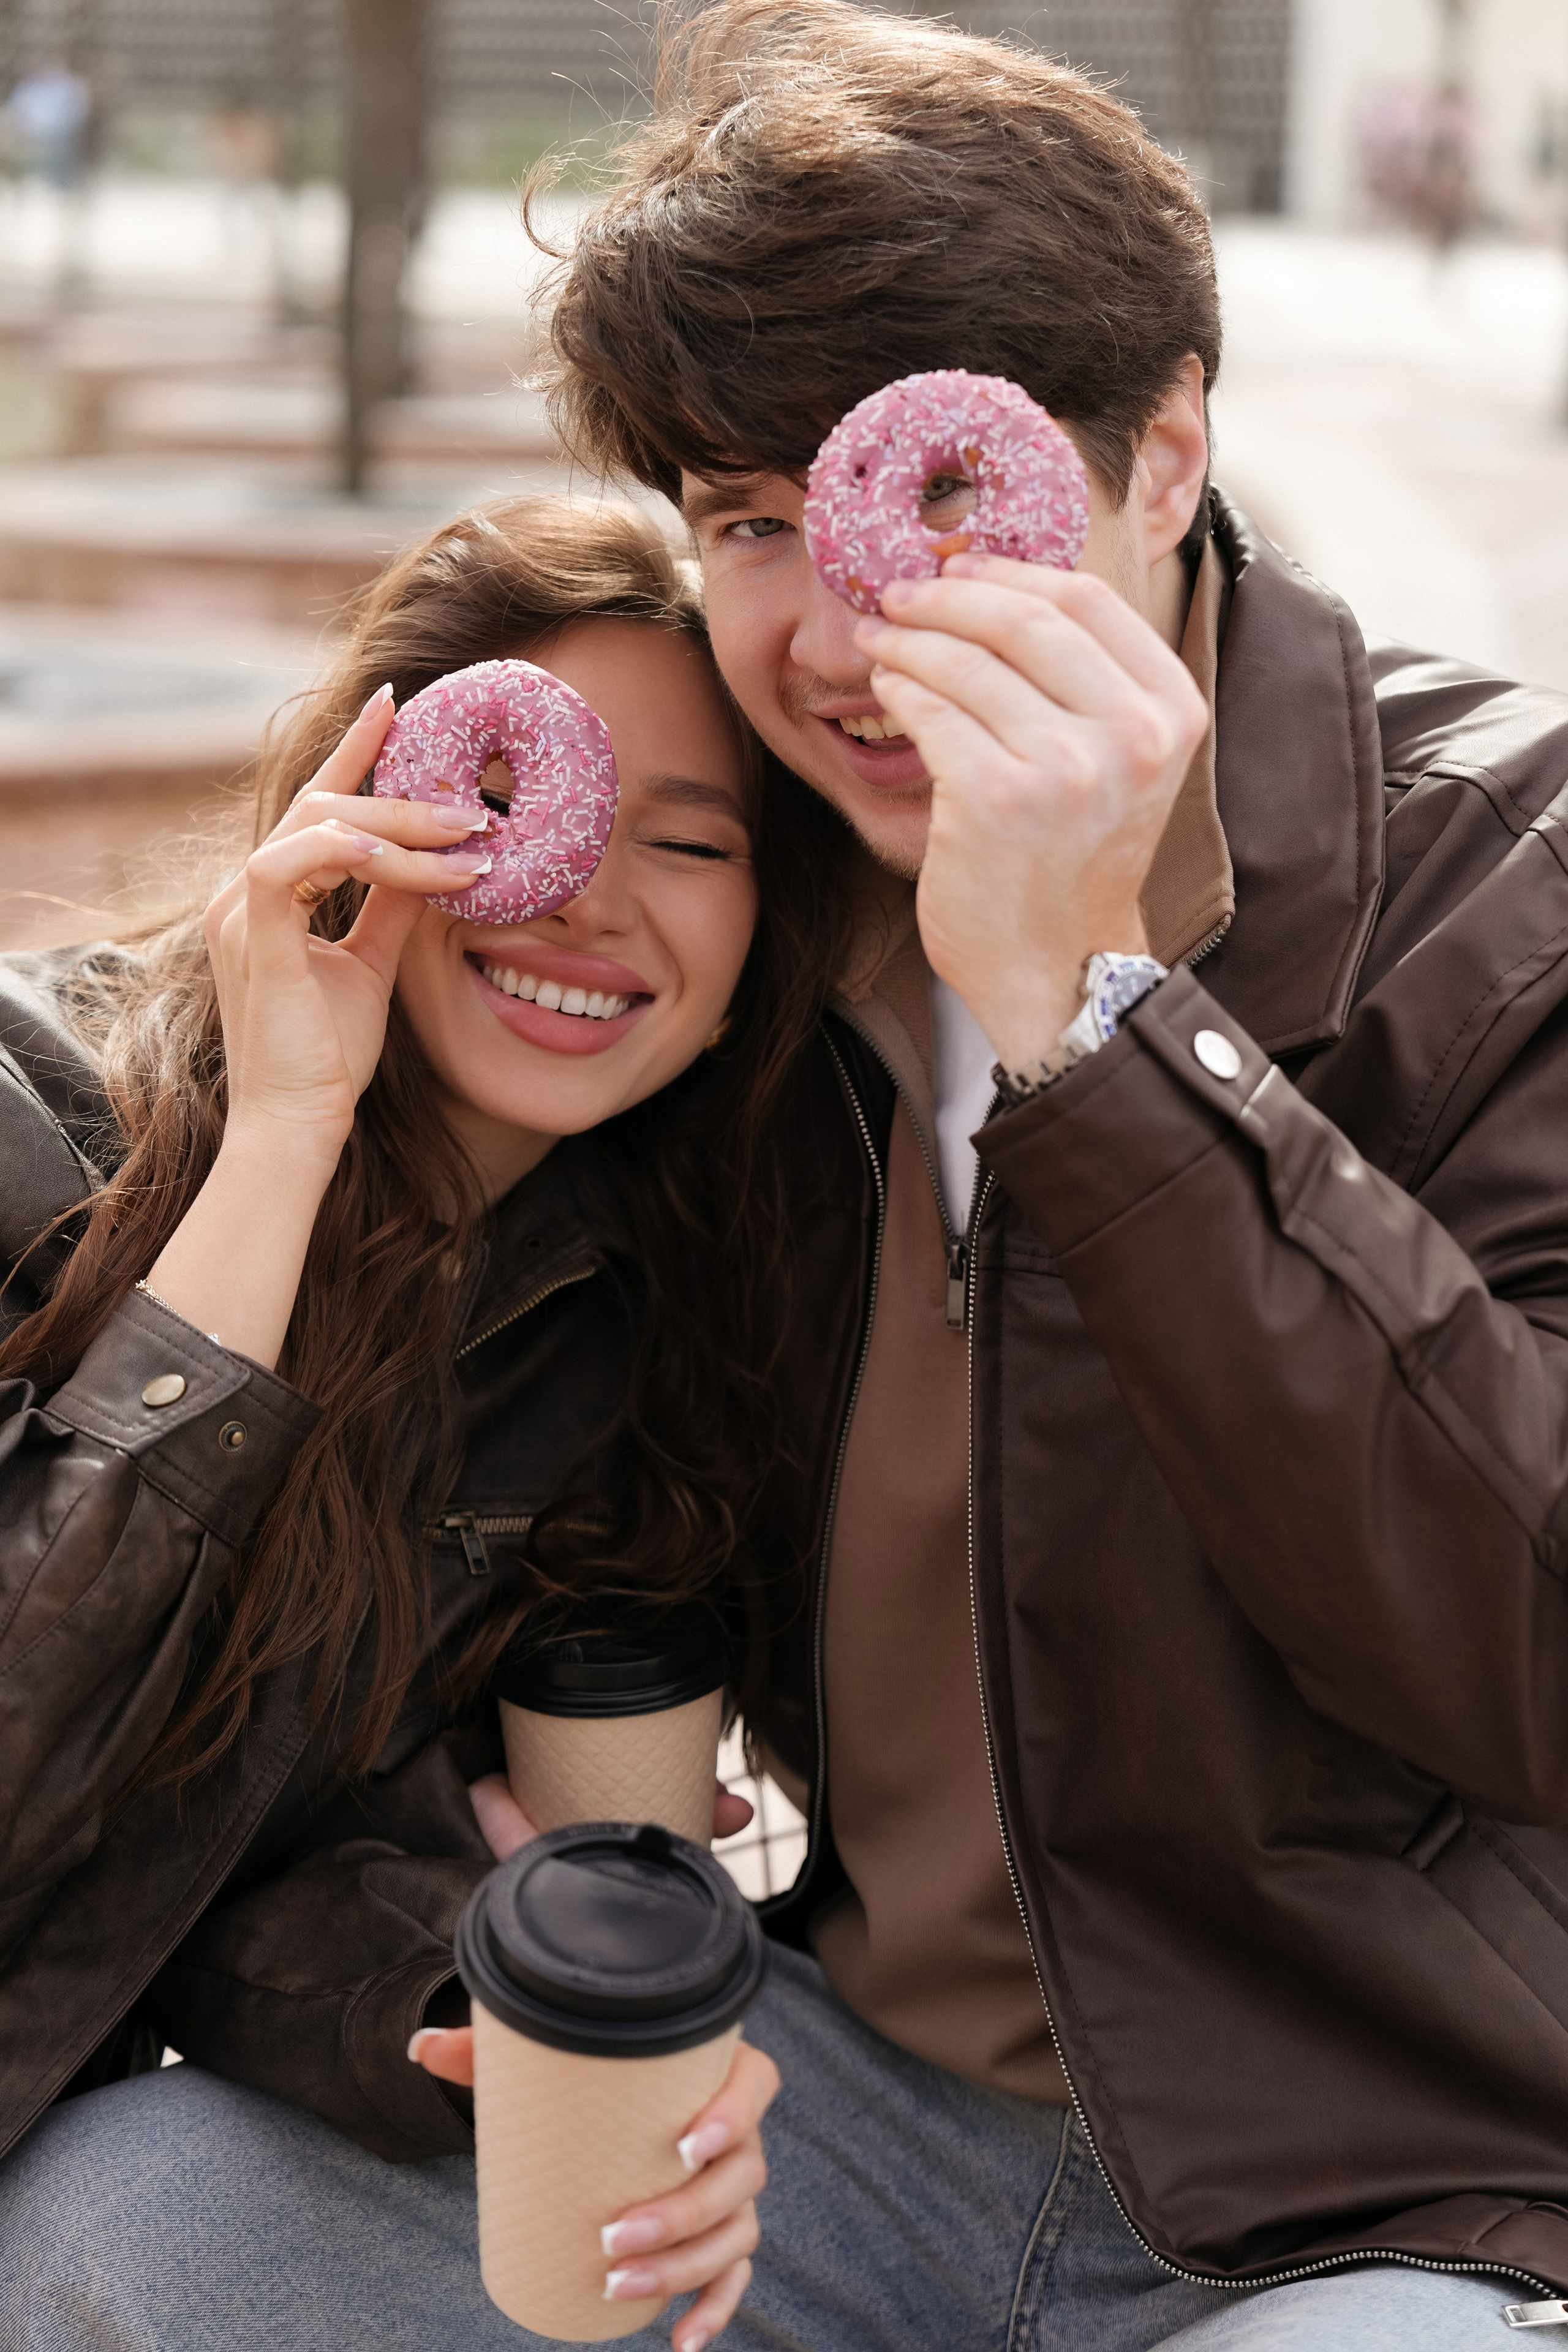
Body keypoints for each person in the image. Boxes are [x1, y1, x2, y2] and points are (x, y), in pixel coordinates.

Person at [0, 493, 857, 2352]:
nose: (594, 899)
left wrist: (486, 2003)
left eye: (694, 844)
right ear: (363, 793)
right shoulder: (26, 1129)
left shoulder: (601, 1343)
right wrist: (284, 1141)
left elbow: (210, 1878)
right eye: (515, 800)